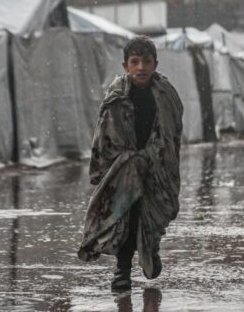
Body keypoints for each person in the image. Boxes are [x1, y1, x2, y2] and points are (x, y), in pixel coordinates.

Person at [77, 36, 183, 293]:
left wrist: (154, 156)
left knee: (154, 213)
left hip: (157, 167)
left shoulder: (167, 96)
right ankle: (122, 270)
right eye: (134, 62)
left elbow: (173, 133)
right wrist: (110, 168)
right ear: (125, 65)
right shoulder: (116, 96)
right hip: (125, 169)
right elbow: (103, 135)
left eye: (146, 61)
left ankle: (151, 247)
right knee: (126, 216)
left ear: (155, 64)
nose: (141, 68)